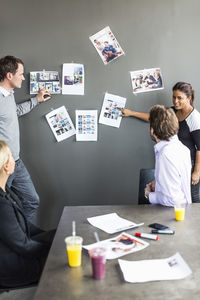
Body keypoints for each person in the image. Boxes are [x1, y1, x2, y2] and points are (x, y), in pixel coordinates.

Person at [119, 82, 200, 203]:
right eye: (174, 97)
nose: (175, 101)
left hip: (189, 162)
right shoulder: (173, 111)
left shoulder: (194, 118)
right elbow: (154, 118)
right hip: (175, 157)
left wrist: (196, 171)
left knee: (190, 199)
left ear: (189, 98)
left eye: (179, 98)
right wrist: (131, 113)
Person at [0, 55, 51, 224]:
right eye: (21, 74)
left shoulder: (8, 94)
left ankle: (25, 240)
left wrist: (36, 100)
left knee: (31, 201)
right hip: (2, 166)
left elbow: (14, 112)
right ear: (9, 75)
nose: (23, 77)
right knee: (3, 208)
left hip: (16, 162)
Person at [0, 141, 55, 288]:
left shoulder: (6, 191)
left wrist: (54, 236)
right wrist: (53, 248)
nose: (15, 160)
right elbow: (23, 246)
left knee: (57, 236)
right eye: (11, 156)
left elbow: (25, 227)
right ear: (6, 166)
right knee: (61, 261)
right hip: (11, 268)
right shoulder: (2, 206)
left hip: (17, 253)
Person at [144, 105, 191, 206]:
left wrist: (149, 195)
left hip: (169, 215)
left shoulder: (165, 154)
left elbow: (172, 199)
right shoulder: (183, 149)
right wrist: (159, 183)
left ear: (152, 130)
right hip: (183, 212)